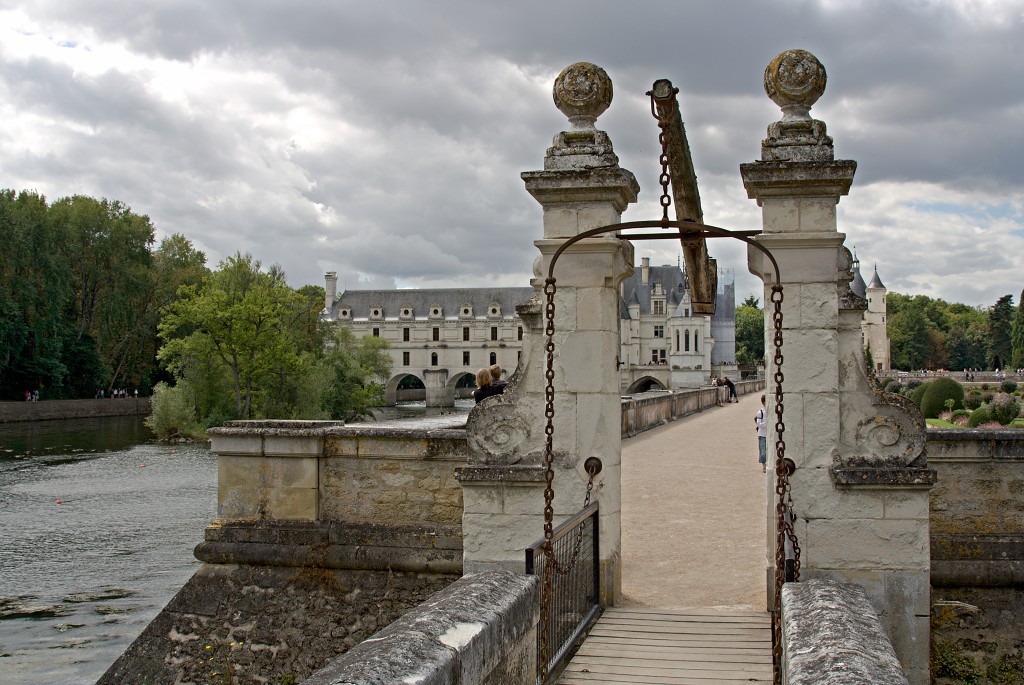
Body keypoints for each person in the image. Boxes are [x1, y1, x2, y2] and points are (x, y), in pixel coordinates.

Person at [755, 394, 768, 473]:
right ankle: (764, 466)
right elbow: (759, 424)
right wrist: (768, 423)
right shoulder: (760, 412)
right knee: (763, 452)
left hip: (767, 434)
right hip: (762, 434)